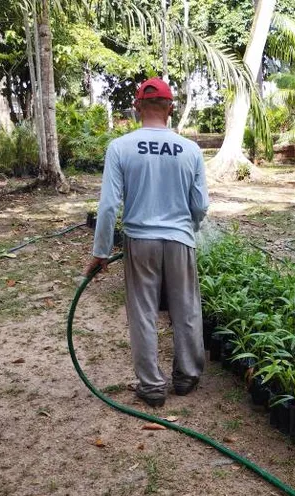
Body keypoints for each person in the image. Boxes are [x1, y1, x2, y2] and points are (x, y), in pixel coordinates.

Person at [85, 78, 209, 408]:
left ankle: (152, 386)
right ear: (170, 108)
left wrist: (100, 252)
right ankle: (185, 376)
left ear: (138, 107)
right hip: (180, 239)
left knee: (143, 312)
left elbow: (109, 206)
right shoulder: (191, 150)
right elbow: (200, 207)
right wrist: (187, 230)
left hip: (140, 241)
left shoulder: (121, 147)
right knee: (185, 308)